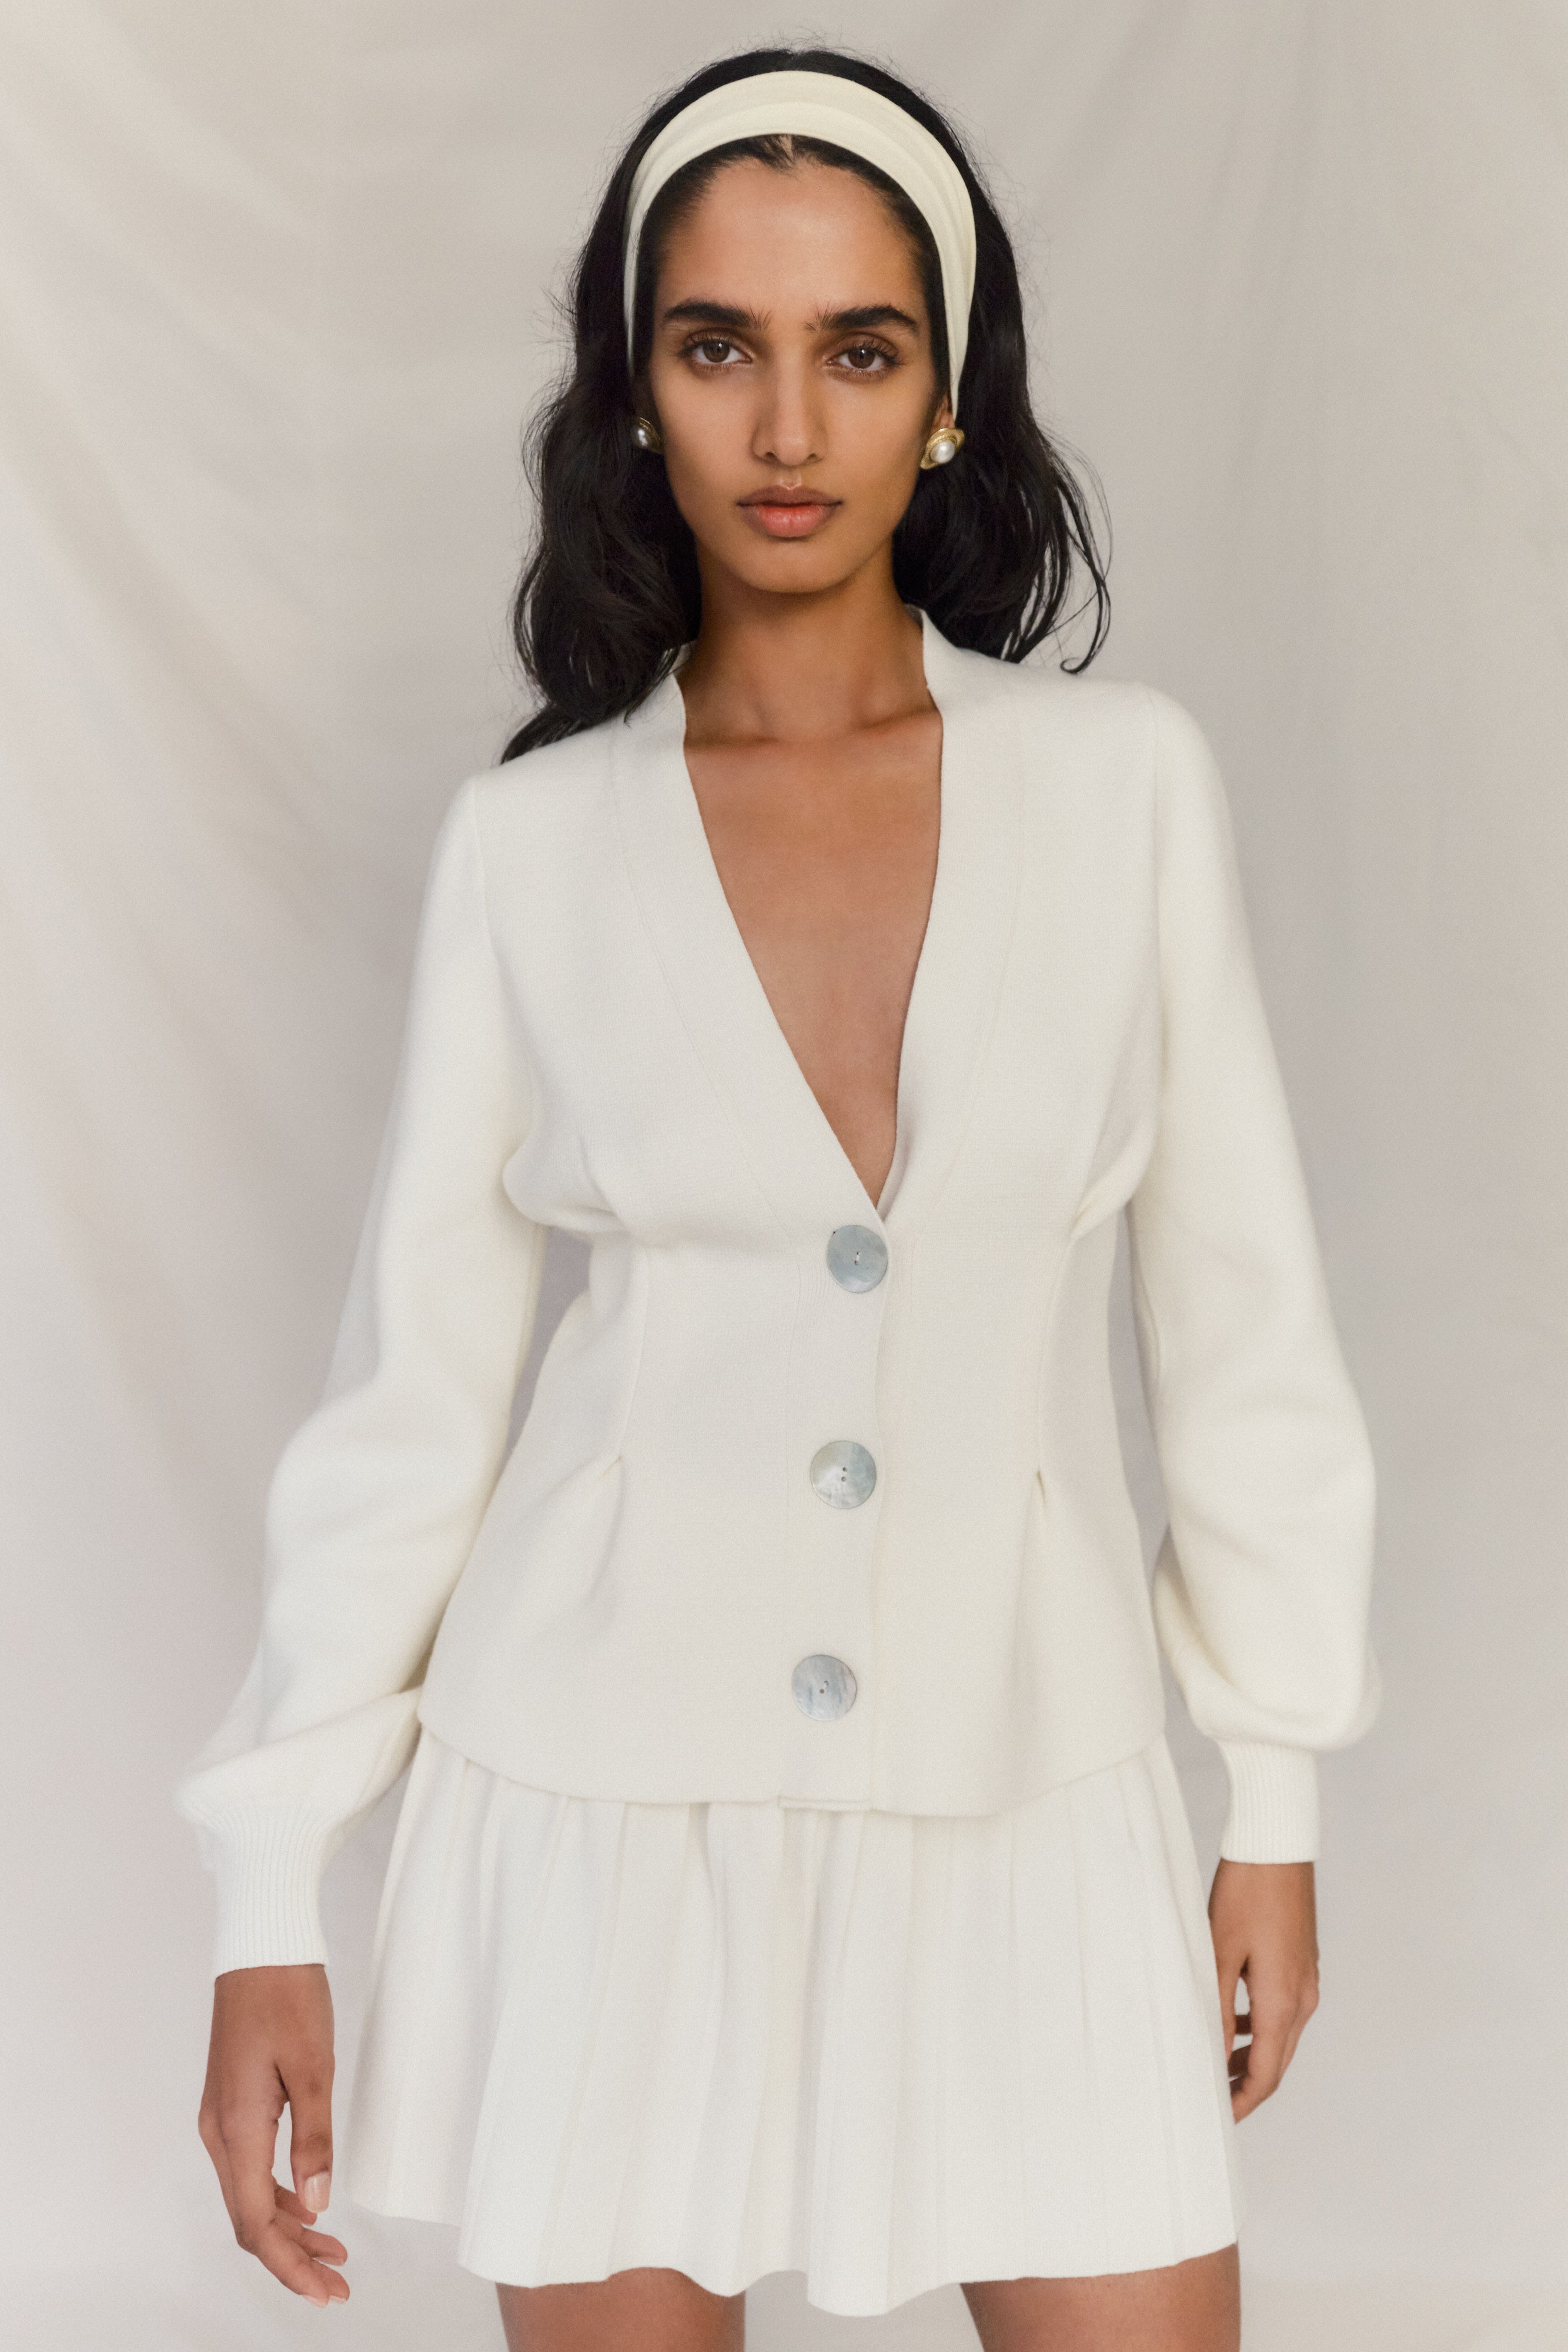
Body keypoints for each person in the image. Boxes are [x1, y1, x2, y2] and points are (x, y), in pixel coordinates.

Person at [174, 46, 1381, 2352]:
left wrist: (1274, 1795)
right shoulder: (533, 846)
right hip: (598, 1816)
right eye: (719, 345)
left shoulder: (1123, 790)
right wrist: (265, 1891)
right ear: (636, 393)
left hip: (1028, 1779)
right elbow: (414, 1397)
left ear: (949, 398)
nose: (789, 425)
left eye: (862, 348)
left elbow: (1240, 1330)